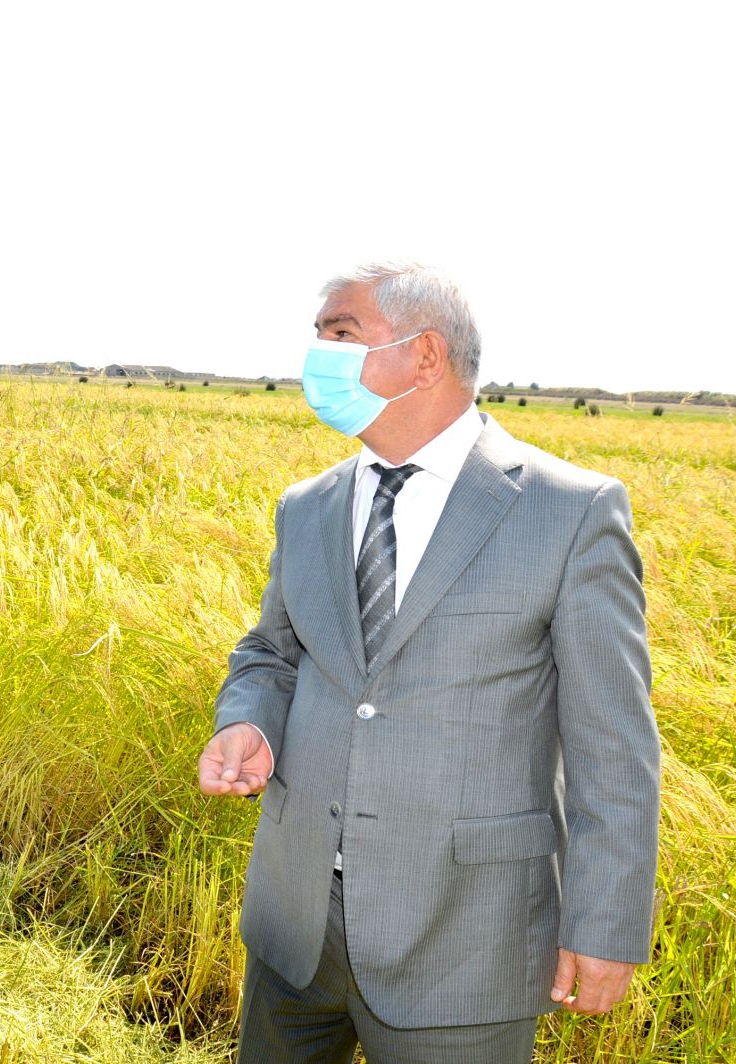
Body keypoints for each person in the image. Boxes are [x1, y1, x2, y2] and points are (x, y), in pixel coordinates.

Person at [198, 262, 659, 1063]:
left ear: (425, 356)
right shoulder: (307, 506)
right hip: (296, 921)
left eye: (342, 333)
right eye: (318, 336)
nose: (318, 356)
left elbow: (612, 741)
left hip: (463, 941)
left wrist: (605, 923)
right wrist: (251, 722)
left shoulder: (570, 511)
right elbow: (272, 650)